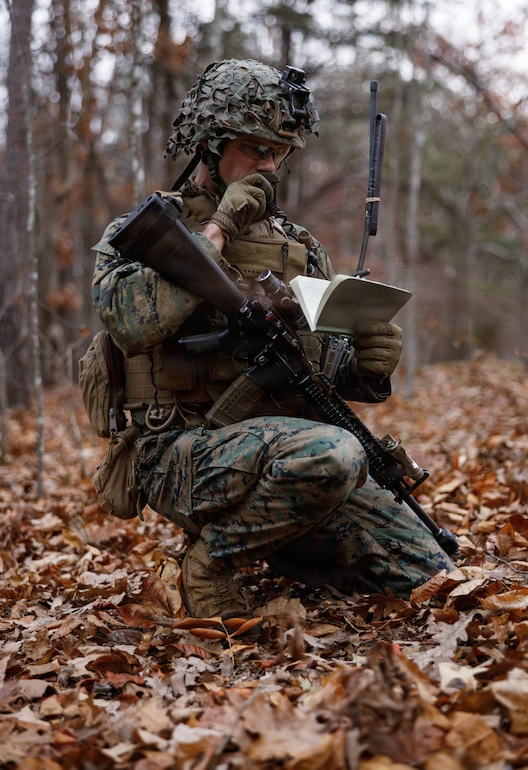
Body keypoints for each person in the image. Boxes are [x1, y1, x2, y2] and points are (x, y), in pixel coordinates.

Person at [92, 58, 455, 626]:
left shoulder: (299, 248)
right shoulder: (145, 231)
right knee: (333, 456)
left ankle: (285, 539)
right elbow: (130, 321)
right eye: (254, 148)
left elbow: (320, 372)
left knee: (434, 576)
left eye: (278, 152)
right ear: (211, 144)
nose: (268, 165)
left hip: (290, 462)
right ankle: (212, 559)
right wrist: (218, 230)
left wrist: (369, 364)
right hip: (180, 454)